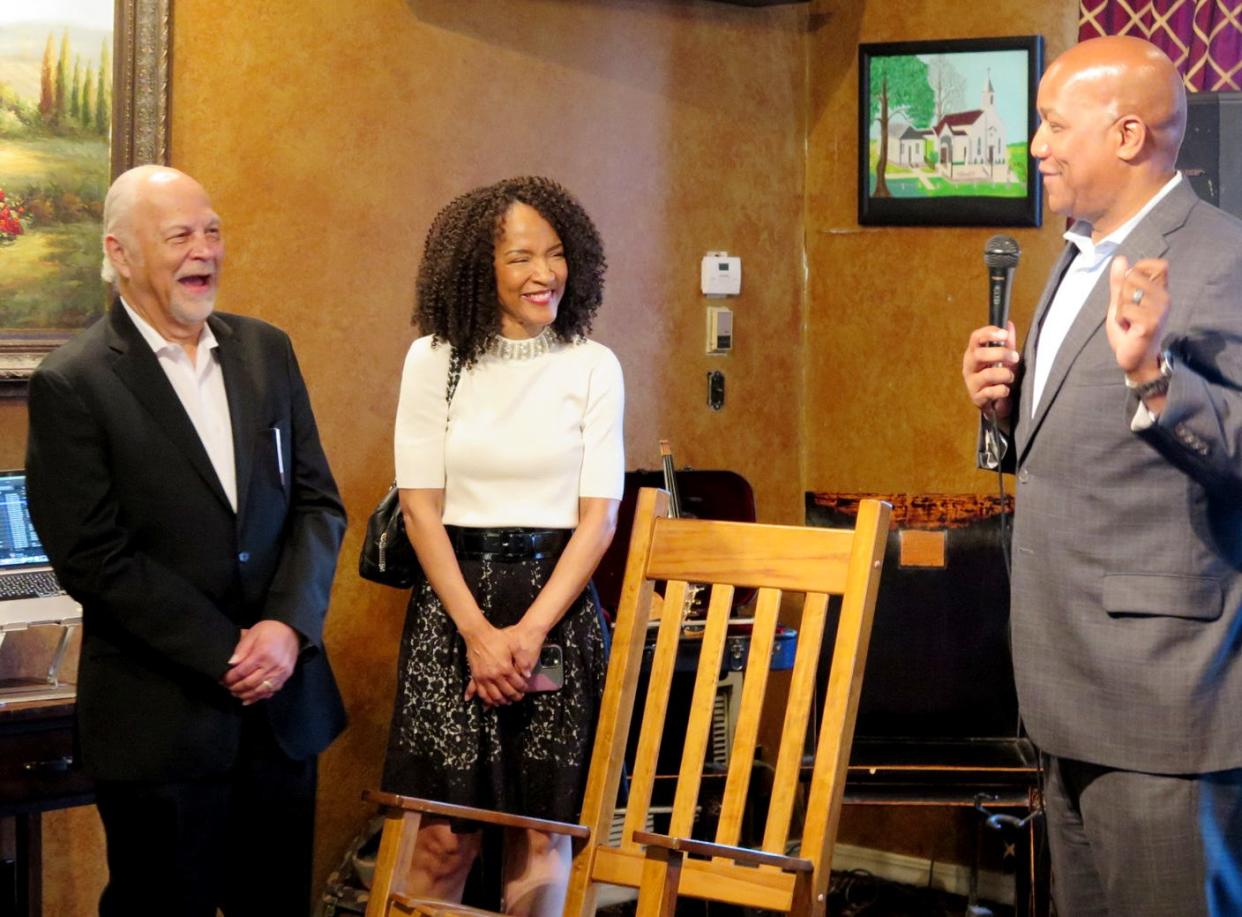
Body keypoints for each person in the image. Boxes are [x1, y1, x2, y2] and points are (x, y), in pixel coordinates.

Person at [962, 36, 1242, 916]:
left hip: (1163, 700)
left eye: (1051, 124)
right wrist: (1000, 414)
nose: (1035, 145)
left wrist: (1156, 376)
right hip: (1063, 683)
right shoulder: (1077, 252)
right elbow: (1065, 447)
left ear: (1127, 135)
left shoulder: (1222, 256)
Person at [24, 165, 347, 916]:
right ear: (122, 253)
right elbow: (92, 555)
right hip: (160, 728)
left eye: (213, 230)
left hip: (282, 717)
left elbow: (317, 504)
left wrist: (287, 627)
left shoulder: (269, 351)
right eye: (180, 235)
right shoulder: (74, 382)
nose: (205, 250)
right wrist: (228, 649)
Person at [380, 176, 624, 917]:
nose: (544, 273)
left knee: (542, 837)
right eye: (521, 257)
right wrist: (479, 636)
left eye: (555, 255)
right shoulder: (434, 358)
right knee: (442, 841)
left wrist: (529, 632)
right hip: (456, 615)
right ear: (478, 268)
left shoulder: (593, 364)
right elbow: (420, 511)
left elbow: (599, 519)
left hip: (554, 610)